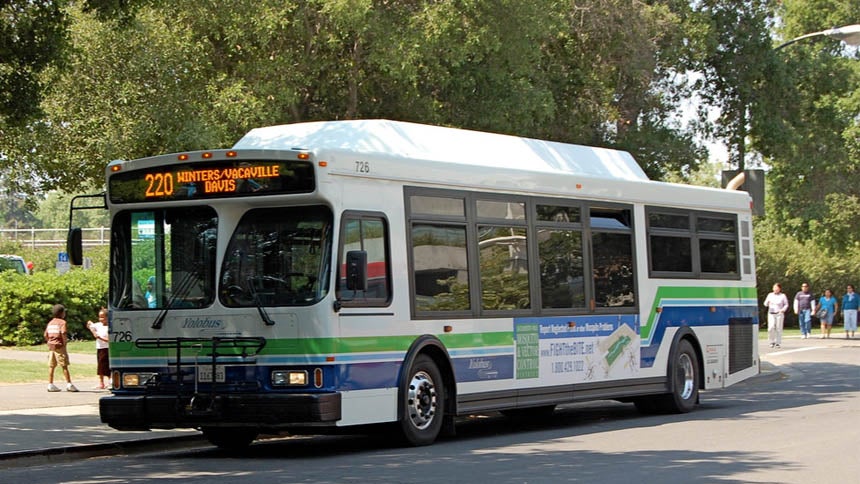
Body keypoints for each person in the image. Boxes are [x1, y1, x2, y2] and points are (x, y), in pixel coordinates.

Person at [44, 304, 78, 392]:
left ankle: (50, 384)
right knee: (64, 365)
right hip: (59, 345)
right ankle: (69, 384)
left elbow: (45, 334)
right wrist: (64, 343)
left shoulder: (50, 322)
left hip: (51, 346)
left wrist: (49, 341)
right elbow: (63, 333)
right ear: (62, 313)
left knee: (51, 366)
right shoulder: (62, 322)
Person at [86, 307, 110, 390]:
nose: (100, 319)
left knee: (107, 365)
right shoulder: (98, 325)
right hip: (100, 348)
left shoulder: (109, 327)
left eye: (103, 317)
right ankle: (101, 382)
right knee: (100, 365)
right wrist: (92, 330)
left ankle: (110, 381)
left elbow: (109, 340)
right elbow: (90, 325)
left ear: (107, 317)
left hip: (107, 348)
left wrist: (100, 337)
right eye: (99, 317)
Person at [763, 283, 789, 348]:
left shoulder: (782, 296)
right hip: (771, 313)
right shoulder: (770, 295)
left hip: (779, 313)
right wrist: (767, 303)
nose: (775, 289)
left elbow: (786, 304)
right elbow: (765, 303)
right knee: (771, 327)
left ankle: (778, 342)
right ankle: (771, 341)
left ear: (779, 289)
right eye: (774, 288)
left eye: (776, 288)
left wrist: (783, 309)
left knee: (778, 328)